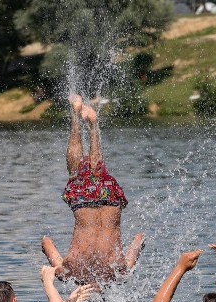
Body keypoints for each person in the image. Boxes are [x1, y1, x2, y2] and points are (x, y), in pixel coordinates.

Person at [41, 94, 145, 286]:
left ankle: (93, 125)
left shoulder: (120, 274)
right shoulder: (69, 274)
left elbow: (139, 238)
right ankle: (75, 114)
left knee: (98, 171)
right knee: (75, 172)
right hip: (84, 206)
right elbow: (46, 241)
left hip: (111, 203)